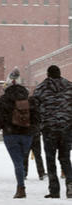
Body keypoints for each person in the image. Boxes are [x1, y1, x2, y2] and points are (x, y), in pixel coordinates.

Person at [0, 68, 37, 199]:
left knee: (17, 162)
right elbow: (36, 117)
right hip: (27, 134)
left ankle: (21, 187)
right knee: (21, 159)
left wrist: (3, 127)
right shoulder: (29, 99)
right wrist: (31, 130)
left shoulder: (4, 99)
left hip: (10, 134)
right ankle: (21, 179)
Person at [33, 65, 72, 199]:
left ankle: (54, 190)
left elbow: (34, 107)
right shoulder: (69, 86)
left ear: (48, 74)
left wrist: (40, 123)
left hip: (49, 129)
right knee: (65, 158)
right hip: (66, 128)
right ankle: (70, 184)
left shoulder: (41, 88)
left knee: (50, 160)